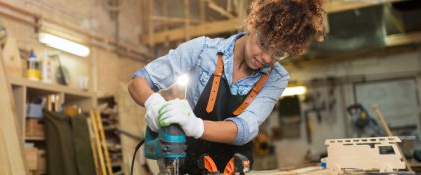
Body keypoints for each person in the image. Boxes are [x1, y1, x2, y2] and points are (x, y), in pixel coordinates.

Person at [128, 0, 325, 174]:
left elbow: (245, 128)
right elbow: (139, 80)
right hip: (188, 162)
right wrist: (154, 104)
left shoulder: (277, 78)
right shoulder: (203, 50)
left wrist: (196, 126)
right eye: (263, 43)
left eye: (278, 54)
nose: (266, 58)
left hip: (234, 167)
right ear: (253, 25)